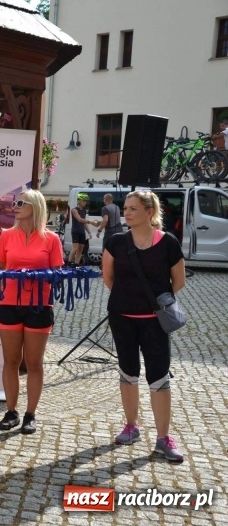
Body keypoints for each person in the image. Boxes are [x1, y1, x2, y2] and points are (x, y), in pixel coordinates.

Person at [102, 190, 186, 462]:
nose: (126, 212)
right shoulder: (115, 241)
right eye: (125, 207)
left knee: (159, 377)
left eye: (133, 208)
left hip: (155, 323)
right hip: (122, 319)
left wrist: (153, 305)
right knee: (128, 372)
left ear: (149, 212)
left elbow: (179, 282)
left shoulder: (168, 243)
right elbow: (108, 278)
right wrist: (129, 300)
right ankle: (131, 426)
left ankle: (163, 438)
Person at [0, 190, 64, 434]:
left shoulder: (51, 239)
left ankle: (30, 414)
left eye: (21, 203)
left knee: (34, 363)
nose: (15, 206)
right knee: (10, 361)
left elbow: (57, 275)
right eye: (14, 202)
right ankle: (10, 411)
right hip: (10, 303)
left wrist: (36, 277)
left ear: (35, 206)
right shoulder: (6, 236)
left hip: (39, 305)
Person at [69, 192, 95, 265]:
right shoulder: (74, 210)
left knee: (81, 249)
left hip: (82, 231)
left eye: (86, 201)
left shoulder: (84, 211)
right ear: (79, 201)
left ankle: (76, 263)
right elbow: (79, 219)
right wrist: (91, 222)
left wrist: (89, 232)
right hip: (75, 231)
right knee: (75, 248)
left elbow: (84, 222)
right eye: (83, 201)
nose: (85, 202)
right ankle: (69, 262)